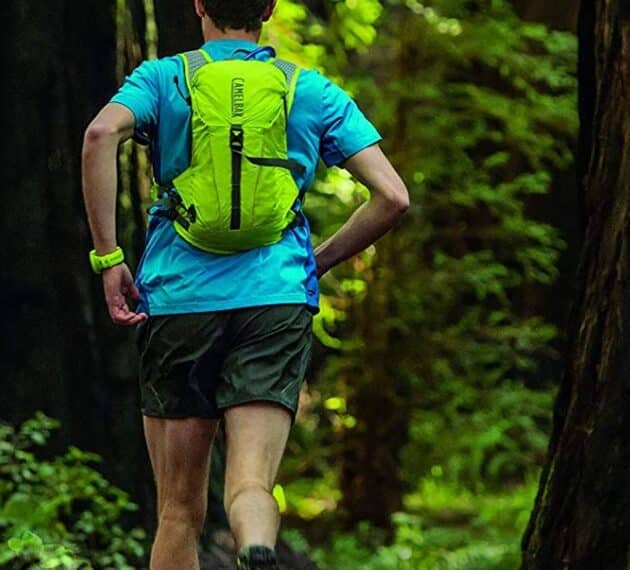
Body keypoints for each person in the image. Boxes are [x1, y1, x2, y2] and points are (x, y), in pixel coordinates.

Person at [81, 1, 408, 568]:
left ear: (200, 4)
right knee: (251, 483)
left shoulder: (163, 78)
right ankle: (257, 548)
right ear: (270, 8)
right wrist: (319, 260)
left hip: (179, 303)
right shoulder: (309, 90)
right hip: (274, 302)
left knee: (178, 511)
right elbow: (393, 197)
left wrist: (110, 258)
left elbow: (99, 134)